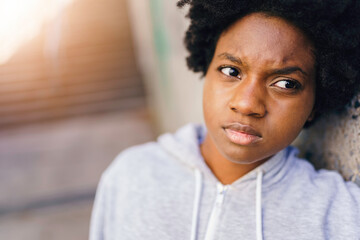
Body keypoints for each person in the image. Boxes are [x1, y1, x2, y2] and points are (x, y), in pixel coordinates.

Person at [89, 1, 360, 239]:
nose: (246, 104)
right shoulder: (131, 176)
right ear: (206, 69)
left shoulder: (339, 215)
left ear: (314, 103)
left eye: (286, 84)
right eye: (231, 71)